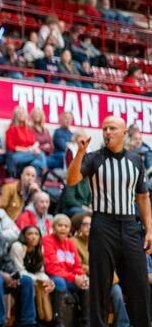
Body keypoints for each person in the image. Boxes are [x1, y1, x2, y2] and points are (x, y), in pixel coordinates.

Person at [66, 116, 152, 327]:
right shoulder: (94, 158)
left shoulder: (136, 160)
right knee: (100, 287)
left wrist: (149, 229)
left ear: (124, 132)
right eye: (105, 128)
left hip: (131, 226)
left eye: (112, 128)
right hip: (103, 225)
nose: (107, 132)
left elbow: (142, 198)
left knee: (139, 286)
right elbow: (71, 180)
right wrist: (79, 153)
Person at [0, 206, 36, 327]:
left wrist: (14, 274)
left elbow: (7, 260)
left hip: (2, 276)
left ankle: (27, 322)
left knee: (26, 281)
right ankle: (0, 322)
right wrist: (3, 275)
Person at [70, 213, 130, 327]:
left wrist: (108, 275)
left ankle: (123, 324)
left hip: (105, 277)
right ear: (79, 226)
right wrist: (96, 269)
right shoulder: (73, 241)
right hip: (87, 277)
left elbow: (109, 263)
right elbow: (77, 265)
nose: (89, 227)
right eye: (85, 224)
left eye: (91, 225)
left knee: (116, 290)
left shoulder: (100, 240)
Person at [43, 214, 89, 326]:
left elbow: (77, 266)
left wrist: (82, 277)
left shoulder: (70, 242)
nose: (63, 228)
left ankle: (86, 322)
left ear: (69, 229)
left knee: (87, 284)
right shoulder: (47, 240)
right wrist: (74, 278)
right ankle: (59, 322)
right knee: (59, 281)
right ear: (53, 227)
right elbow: (52, 268)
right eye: (60, 225)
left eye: (66, 226)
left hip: (70, 278)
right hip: (53, 277)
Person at [9, 226, 57, 324]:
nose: (33, 237)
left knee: (48, 284)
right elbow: (19, 271)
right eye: (30, 234)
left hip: (30, 278)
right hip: (14, 279)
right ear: (24, 236)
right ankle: (27, 321)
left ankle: (45, 319)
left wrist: (49, 282)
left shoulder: (40, 249)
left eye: (36, 234)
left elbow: (40, 272)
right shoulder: (17, 246)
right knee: (30, 282)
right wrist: (38, 280)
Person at [5, 106, 47, 175]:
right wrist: (26, 149)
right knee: (41, 155)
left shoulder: (29, 129)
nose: (21, 115)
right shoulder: (12, 129)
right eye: (19, 113)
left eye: (23, 113)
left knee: (36, 163)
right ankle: (45, 174)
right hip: (17, 155)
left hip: (29, 154)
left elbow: (34, 143)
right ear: (16, 116)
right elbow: (10, 146)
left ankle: (35, 183)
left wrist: (35, 149)